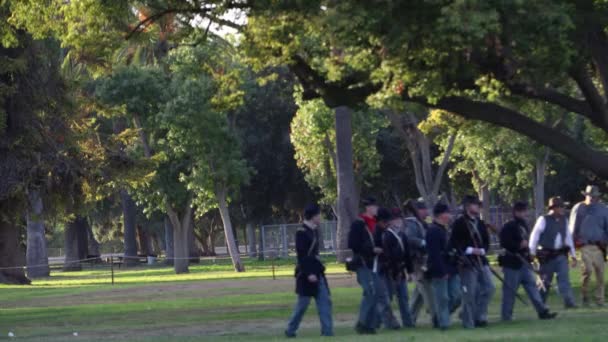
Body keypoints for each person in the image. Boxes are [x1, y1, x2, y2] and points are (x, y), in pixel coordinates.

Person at [498, 201, 557, 321]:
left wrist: (529, 253)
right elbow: (504, 243)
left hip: (524, 262)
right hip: (512, 263)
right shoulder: (508, 226)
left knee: (532, 288)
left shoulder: (524, 225)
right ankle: (506, 316)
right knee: (510, 292)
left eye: (525, 211)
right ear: (516, 212)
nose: (526, 213)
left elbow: (527, 242)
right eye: (523, 211)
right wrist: (519, 245)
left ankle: (542, 311)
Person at [285, 204, 333, 337]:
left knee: (325, 303)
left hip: (318, 272)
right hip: (306, 274)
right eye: (319, 214)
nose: (320, 217)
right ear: (313, 216)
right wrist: (309, 273)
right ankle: (290, 330)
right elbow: (302, 256)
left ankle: (327, 332)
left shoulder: (314, 230)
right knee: (302, 306)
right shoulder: (301, 232)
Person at [449, 195, 495, 329]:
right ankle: (468, 322)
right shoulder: (459, 223)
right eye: (476, 205)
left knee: (489, 288)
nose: (478, 207)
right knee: (469, 293)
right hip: (467, 263)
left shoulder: (480, 223)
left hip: (481, 260)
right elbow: (454, 243)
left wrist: (481, 250)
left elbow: (486, 242)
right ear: (468, 206)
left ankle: (479, 315)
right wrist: (469, 250)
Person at [529, 196, 578, 308]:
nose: (562, 209)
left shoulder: (564, 220)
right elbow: (534, 237)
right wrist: (531, 252)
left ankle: (569, 302)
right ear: (554, 208)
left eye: (562, 207)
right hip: (547, 255)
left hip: (561, 254)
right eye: (560, 207)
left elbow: (568, 238)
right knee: (544, 281)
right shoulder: (543, 219)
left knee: (564, 279)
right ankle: (540, 304)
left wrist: (573, 255)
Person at [348, 197, 382, 334]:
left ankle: (370, 324)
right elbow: (353, 244)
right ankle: (362, 323)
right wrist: (371, 249)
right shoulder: (359, 224)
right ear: (368, 207)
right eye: (374, 206)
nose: (376, 209)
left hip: (374, 263)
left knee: (376, 293)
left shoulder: (376, 224)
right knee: (370, 292)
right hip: (363, 262)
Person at [569, 185, 608, 307]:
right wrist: (571, 248)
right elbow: (572, 228)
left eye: (594, 196)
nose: (592, 198)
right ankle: (585, 297)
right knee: (588, 271)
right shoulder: (578, 208)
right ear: (586, 195)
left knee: (601, 275)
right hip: (584, 246)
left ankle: (600, 300)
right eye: (590, 196)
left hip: (599, 246)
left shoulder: (604, 209)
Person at [425, 203, 461, 330]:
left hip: (451, 267)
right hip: (439, 269)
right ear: (441, 215)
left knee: (457, 296)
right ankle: (444, 324)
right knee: (443, 298)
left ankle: (440, 316)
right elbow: (434, 254)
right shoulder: (433, 231)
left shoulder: (445, 229)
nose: (450, 215)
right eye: (448, 213)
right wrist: (441, 271)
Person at [403, 199, 434, 325]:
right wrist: (423, 242)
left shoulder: (421, 223)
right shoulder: (411, 224)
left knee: (419, 293)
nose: (427, 212)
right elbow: (409, 239)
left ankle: (409, 318)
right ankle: (435, 314)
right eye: (424, 209)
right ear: (419, 210)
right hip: (416, 261)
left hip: (423, 259)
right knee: (425, 288)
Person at [382, 208, 415, 328]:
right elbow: (388, 256)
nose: (398, 221)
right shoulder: (387, 236)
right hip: (391, 272)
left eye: (399, 218)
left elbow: (407, 255)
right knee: (388, 299)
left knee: (404, 298)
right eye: (395, 219)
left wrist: (410, 271)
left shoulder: (402, 235)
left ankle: (408, 322)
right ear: (390, 221)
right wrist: (394, 272)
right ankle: (388, 322)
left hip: (401, 271)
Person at [373, 208, 402, 330]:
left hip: (386, 267)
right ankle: (390, 323)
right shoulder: (376, 233)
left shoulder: (386, 233)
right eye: (386, 221)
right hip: (378, 268)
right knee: (384, 297)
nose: (388, 224)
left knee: (389, 295)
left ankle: (375, 321)